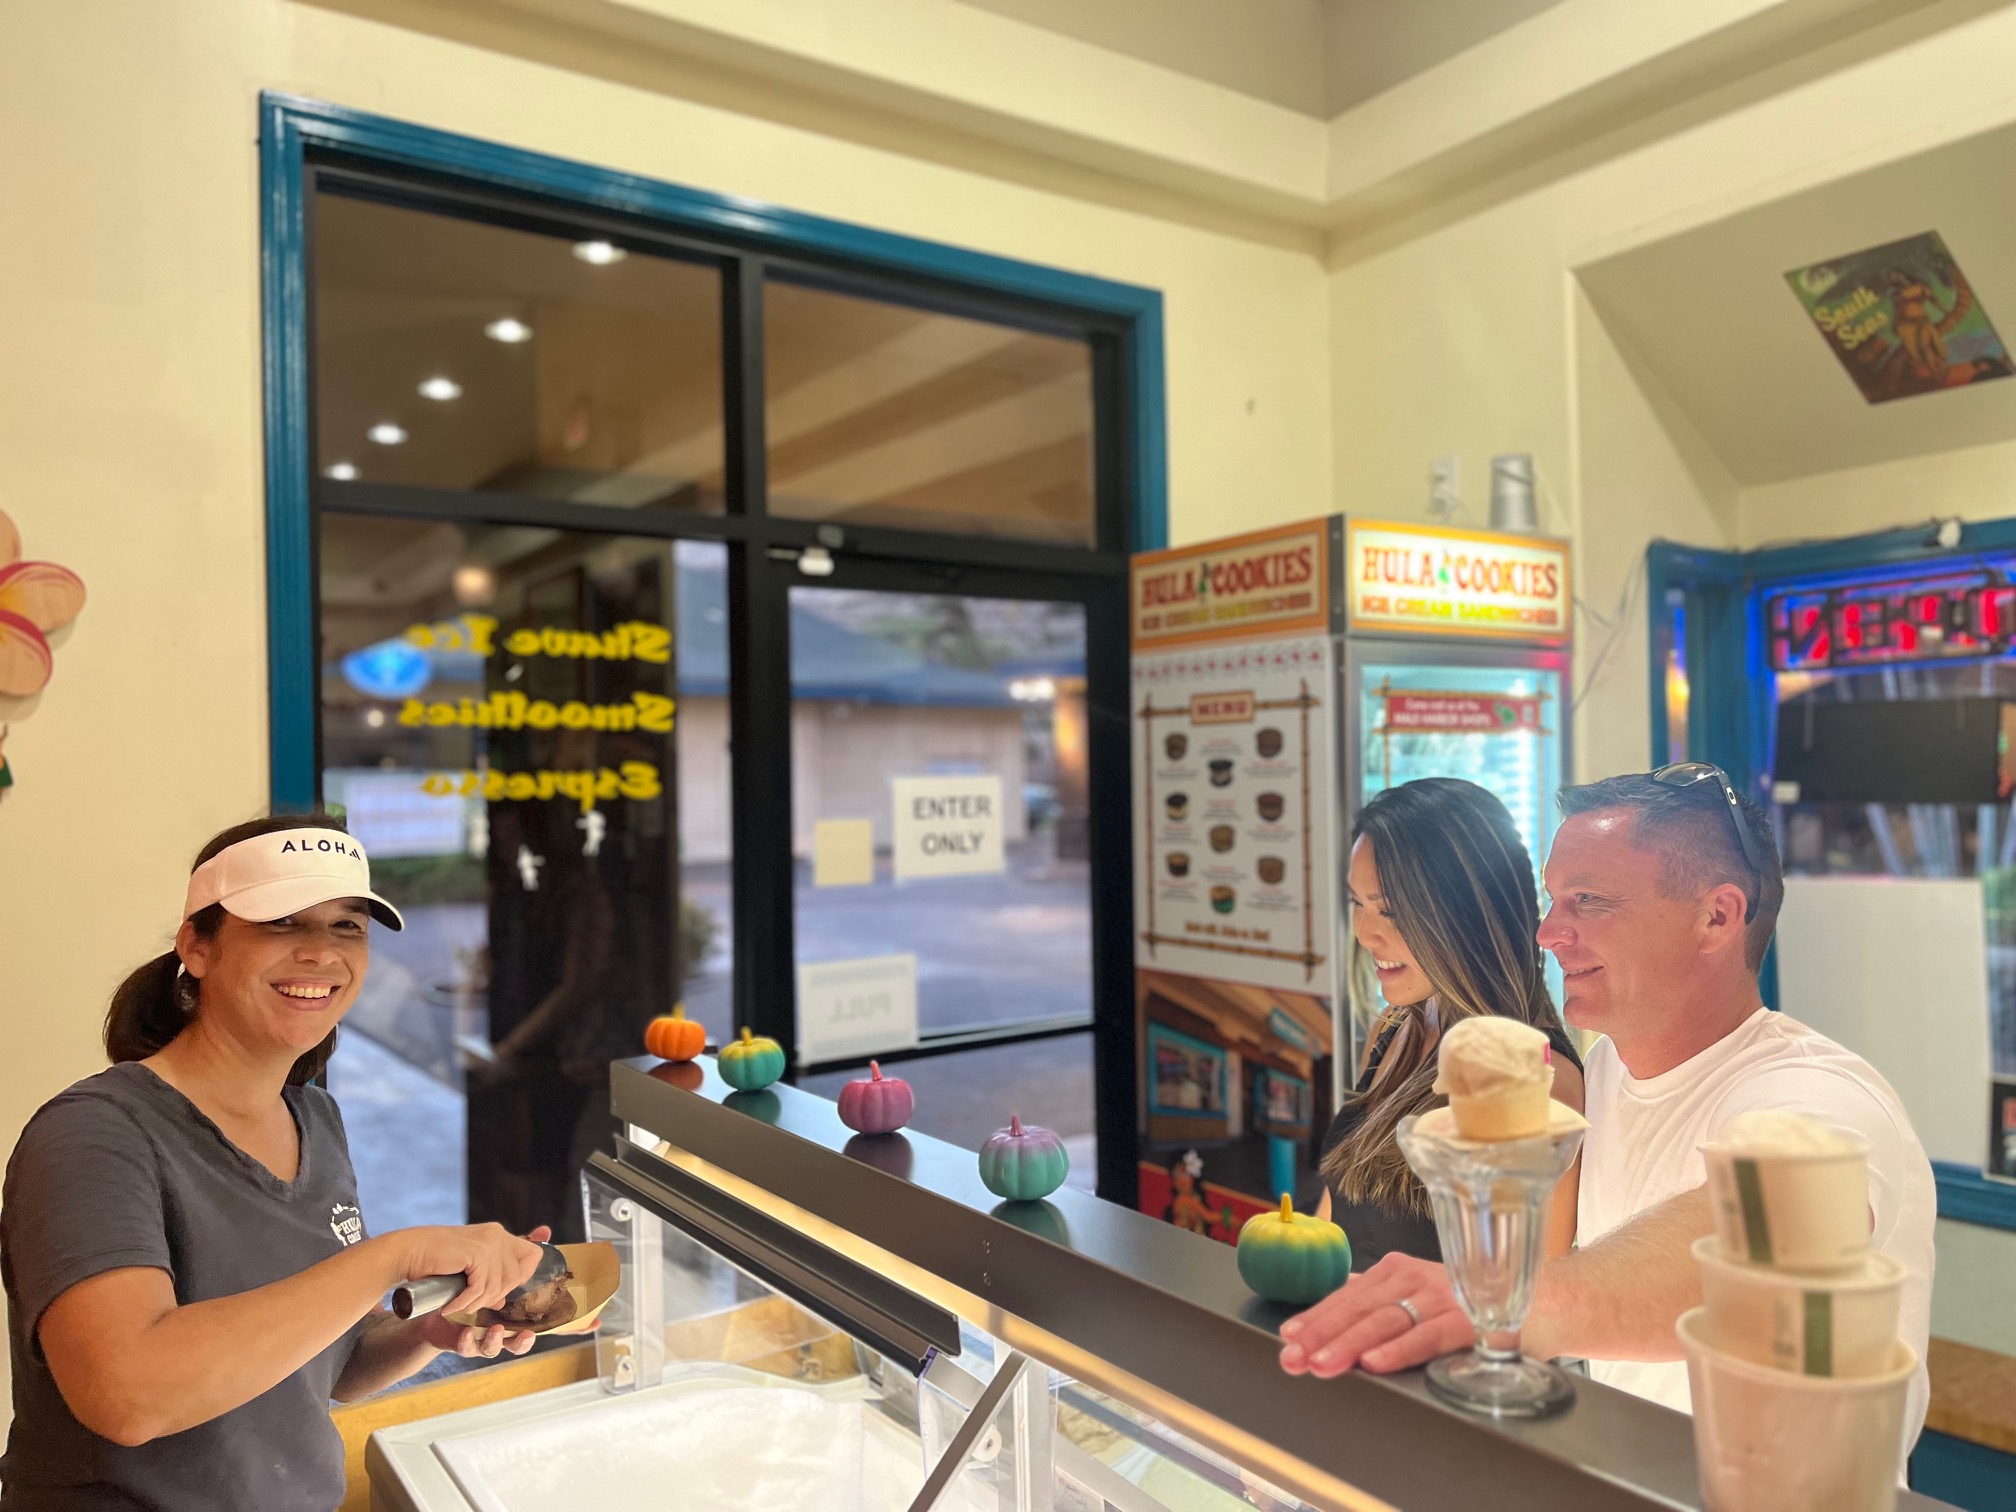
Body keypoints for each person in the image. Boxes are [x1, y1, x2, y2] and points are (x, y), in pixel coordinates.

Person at [1281, 765, 1937, 1451]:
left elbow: (1784, 1228)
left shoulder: (1818, 1091)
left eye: (1588, 901)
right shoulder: (1600, 1074)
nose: (1546, 934)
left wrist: (1498, 1302)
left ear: (1716, 916)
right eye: (1552, 901)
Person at [1, 815, 554, 1511]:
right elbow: (128, 1395)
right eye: (283, 923)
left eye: (347, 926)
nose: (322, 954)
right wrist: (394, 1256)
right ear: (196, 948)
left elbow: (329, 1366)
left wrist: (433, 1329)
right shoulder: (93, 1135)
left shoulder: (314, 1119)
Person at [1317, 778, 1583, 1269]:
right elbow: (1330, 1227)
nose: (1364, 933)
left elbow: (1534, 1307)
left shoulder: (1539, 1081)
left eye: (1390, 910)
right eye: (1358, 904)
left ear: (1466, 915)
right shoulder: (1392, 1031)